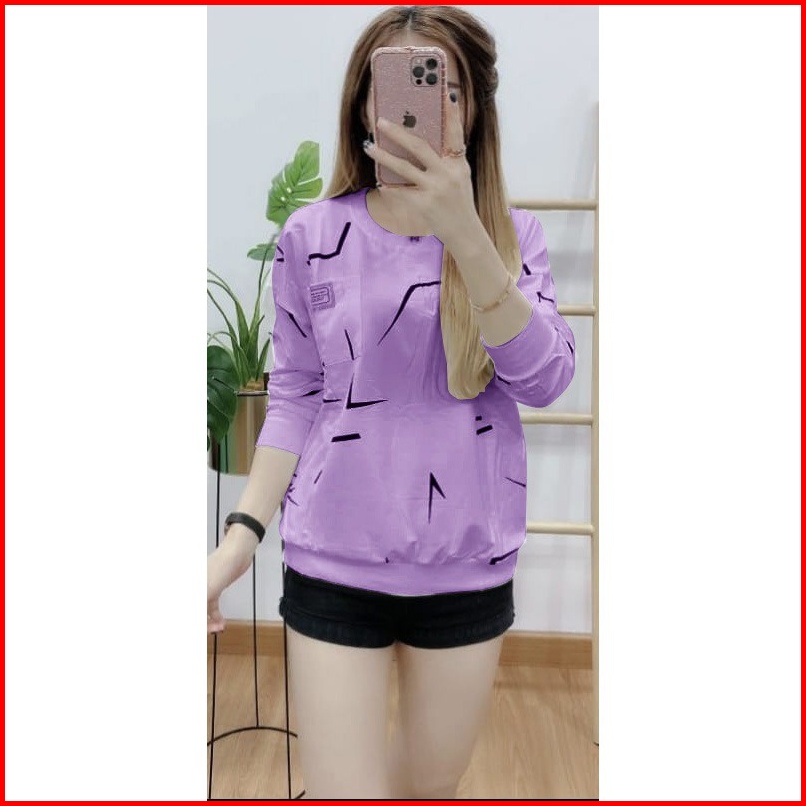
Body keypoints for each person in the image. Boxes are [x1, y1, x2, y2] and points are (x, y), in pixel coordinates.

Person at [207, 5, 576, 799]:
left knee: (424, 792)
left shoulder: (513, 238)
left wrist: (465, 234)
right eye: (399, 84)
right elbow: (295, 398)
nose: (424, 105)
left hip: (466, 567)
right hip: (332, 559)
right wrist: (237, 543)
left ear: (473, 108)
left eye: (445, 86)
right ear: (363, 105)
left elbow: (546, 380)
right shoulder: (312, 235)